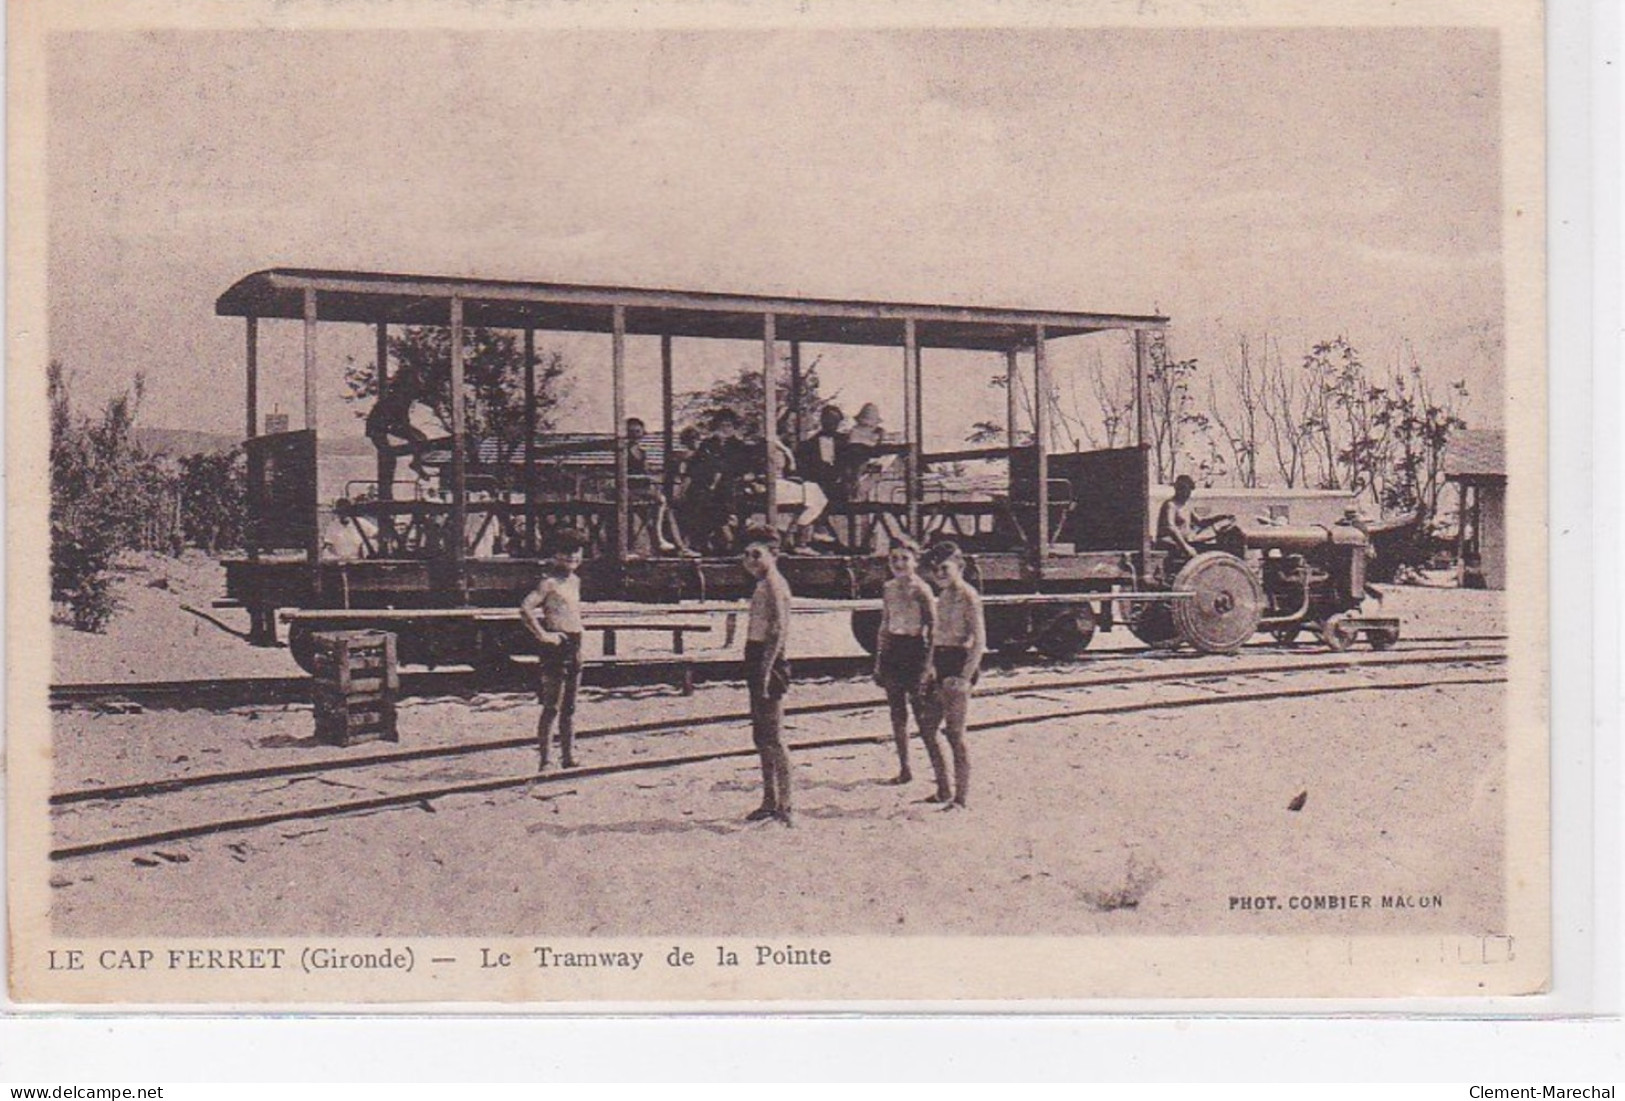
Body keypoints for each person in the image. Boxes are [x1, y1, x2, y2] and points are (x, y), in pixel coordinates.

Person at [919, 540, 984, 809]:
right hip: (941, 664)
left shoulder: (968, 596)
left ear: (959, 566)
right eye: (935, 570)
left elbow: (979, 641)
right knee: (927, 728)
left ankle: (961, 798)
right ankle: (943, 789)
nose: (940, 574)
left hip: (959, 663)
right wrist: (928, 668)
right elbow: (935, 638)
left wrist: (965, 677)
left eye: (945, 568)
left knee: (955, 735)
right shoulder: (943, 596)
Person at [519, 528, 588, 772]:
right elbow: (526, 608)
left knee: (570, 707)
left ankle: (568, 757)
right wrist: (543, 635)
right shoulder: (548, 583)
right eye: (566, 552)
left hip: (575, 643)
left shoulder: (575, 581)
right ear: (555, 555)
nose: (572, 557)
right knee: (552, 707)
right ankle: (546, 761)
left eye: (576, 552)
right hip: (556, 647)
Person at [873, 540, 939, 786]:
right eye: (894, 559)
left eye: (904, 558)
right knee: (896, 714)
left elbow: (934, 629)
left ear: (915, 561)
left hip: (915, 652)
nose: (899, 564)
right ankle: (905, 769)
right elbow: (885, 624)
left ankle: (940, 775)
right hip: (894, 652)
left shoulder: (921, 589)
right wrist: (879, 659)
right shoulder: (888, 588)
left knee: (922, 716)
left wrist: (929, 666)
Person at [740, 525, 794, 825]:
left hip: (768, 660)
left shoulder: (774, 584)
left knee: (774, 736)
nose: (750, 560)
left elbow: (778, 630)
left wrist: (765, 669)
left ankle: (786, 805)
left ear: (774, 554)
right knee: (761, 736)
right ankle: (769, 799)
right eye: (746, 554)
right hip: (756, 656)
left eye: (757, 554)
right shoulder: (762, 583)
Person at [365, 362, 432, 483]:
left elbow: (402, 419)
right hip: (378, 426)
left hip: (389, 424)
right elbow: (402, 419)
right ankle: (387, 487)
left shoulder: (404, 395)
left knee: (421, 439)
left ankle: (416, 463)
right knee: (389, 456)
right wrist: (410, 434)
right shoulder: (400, 396)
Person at [1156, 475, 1233, 560]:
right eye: (1183, 489)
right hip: (1171, 543)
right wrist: (1185, 547)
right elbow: (1171, 527)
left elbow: (1200, 522)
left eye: (1189, 490)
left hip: (1186, 541)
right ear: (1177, 489)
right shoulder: (1171, 505)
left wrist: (1217, 518)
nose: (1186, 493)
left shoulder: (1186, 505)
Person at [794, 404, 850, 503]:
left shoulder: (844, 441)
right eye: (829, 420)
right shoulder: (809, 444)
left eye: (835, 421)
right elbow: (804, 469)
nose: (832, 424)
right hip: (818, 486)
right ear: (822, 421)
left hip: (840, 486)